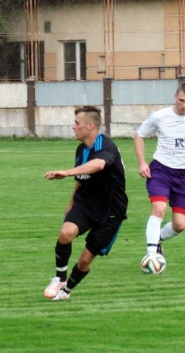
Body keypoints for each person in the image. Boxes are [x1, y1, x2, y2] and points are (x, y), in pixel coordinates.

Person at [43, 106, 128, 301]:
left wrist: (65, 172)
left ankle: (66, 290)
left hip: (111, 211)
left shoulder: (106, 147)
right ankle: (60, 277)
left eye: (77, 123)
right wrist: (72, 202)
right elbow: (82, 177)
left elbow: (98, 165)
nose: (73, 127)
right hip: (86, 202)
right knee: (66, 233)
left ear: (90, 126)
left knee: (84, 261)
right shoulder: (81, 149)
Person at [134, 82, 185, 262]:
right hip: (160, 170)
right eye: (181, 100)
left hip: (184, 175)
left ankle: (158, 241)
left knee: (180, 225)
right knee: (159, 208)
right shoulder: (160, 116)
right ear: (175, 96)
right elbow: (139, 135)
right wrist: (142, 163)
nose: (184, 105)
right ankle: (151, 255)